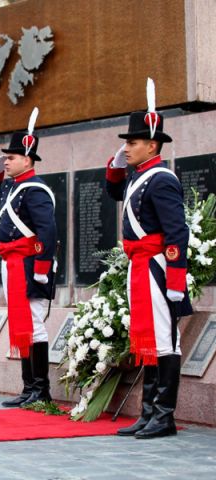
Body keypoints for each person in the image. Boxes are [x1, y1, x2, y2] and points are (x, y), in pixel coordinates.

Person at [105, 108, 191, 439]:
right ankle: (148, 412)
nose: (127, 148)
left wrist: (175, 280)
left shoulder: (162, 179)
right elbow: (114, 192)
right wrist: (115, 166)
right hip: (140, 264)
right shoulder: (138, 176)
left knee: (166, 339)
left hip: (157, 265)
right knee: (149, 339)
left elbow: (176, 233)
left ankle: (164, 416)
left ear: (152, 146)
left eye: (134, 142)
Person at [0, 110, 57, 408]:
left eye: (11, 157)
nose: (7, 160)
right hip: (12, 263)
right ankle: (29, 388)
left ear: (28, 159)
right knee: (21, 322)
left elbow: (47, 231)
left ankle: (41, 388)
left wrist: (41, 269)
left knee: (34, 323)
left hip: (28, 263)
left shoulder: (35, 190)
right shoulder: (11, 187)